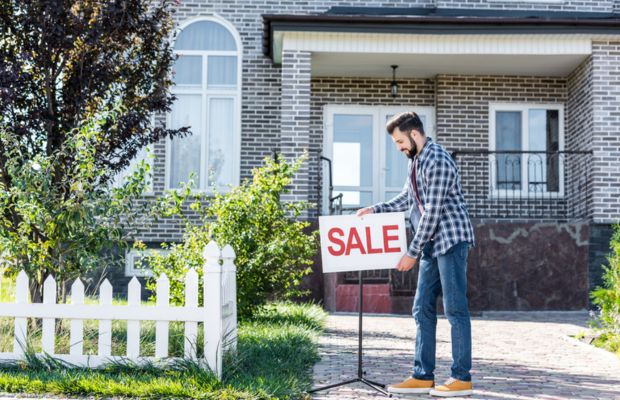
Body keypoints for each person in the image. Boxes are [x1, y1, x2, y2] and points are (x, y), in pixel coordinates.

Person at [356, 111, 475, 397]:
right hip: (432, 244)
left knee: (455, 309)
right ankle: (423, 376)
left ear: (414, 134)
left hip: (451, 240)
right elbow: (407, 199)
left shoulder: (437, 159)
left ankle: (461, 379)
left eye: (399, 142)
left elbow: (432, 212)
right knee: (421, 308)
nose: (398, 148)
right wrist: (376, 209)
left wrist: (411, 252)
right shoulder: (417, 161)